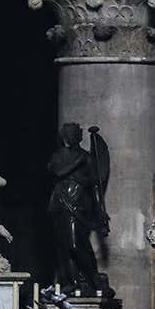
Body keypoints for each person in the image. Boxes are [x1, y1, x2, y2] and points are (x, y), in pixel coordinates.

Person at [48, 122, 111, 296]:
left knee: (76, 244)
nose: (71, 136)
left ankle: (93, 280)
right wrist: (78, 162)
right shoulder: (60, 156)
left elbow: (95, 185)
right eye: (69, 133)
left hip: (79, 205)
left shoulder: (87, 157)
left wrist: (100, 210)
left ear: (79, 136)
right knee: (63, 247)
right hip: (60, 203)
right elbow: (57, 172)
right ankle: (71, 282)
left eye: (75, 133)